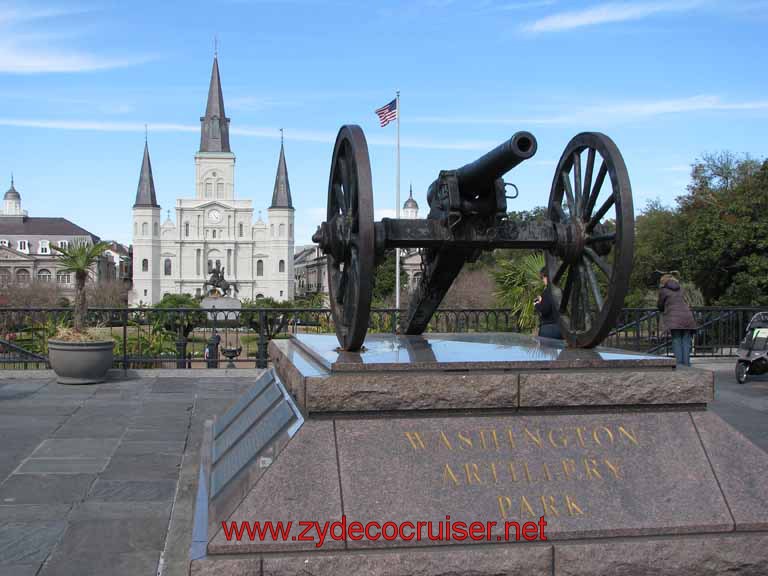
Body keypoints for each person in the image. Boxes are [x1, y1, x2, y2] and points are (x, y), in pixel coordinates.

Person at [657, 273, 698, 366]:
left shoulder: (663, 291)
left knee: (676, 340)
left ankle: (679, 365)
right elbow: (685, 301)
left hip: (674, 319)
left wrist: (663, 309)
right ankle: (687, 364)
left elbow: (660, 305)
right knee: (686, 341)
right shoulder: (681, 289)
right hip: (688, 317)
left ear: (663, 282)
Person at [534, 267, 562, 339]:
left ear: (546, 277)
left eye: (543, 278)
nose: (543, 280)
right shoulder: (560, 290)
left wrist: (537, 304)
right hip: (561, 327)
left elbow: (545, 310)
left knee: (546, 349)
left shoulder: (548, 291)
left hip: (549, 328)